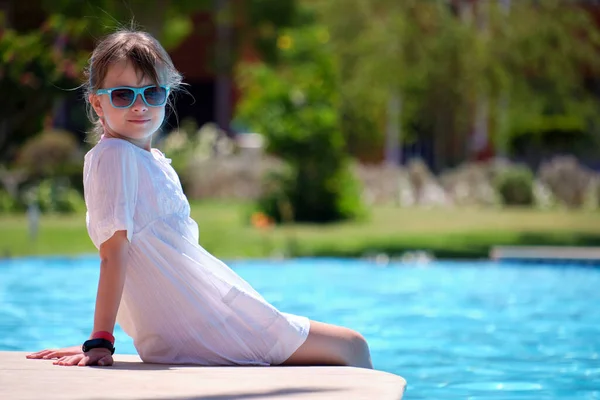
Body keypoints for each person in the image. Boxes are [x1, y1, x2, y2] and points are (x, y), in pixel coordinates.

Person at [26, 29, 373, 369]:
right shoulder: (115, 156)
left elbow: (149, 265)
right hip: (206, 325)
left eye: (152, 93)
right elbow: (114, 255)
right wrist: (100, 339)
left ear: (167, 94)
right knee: (353, 347)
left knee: (347, 347)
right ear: (97, 102)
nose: (139, 105)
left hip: (200, 321)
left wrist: (102, 336)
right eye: (122, 95)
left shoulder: (148, 160)